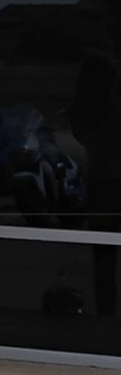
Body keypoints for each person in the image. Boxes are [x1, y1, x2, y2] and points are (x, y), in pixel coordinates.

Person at [69, 55, 121, 318]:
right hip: (111, 185)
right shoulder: (114, 112)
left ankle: (106, 313)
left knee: (103, 257)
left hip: (101, 187)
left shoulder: (83, 114)